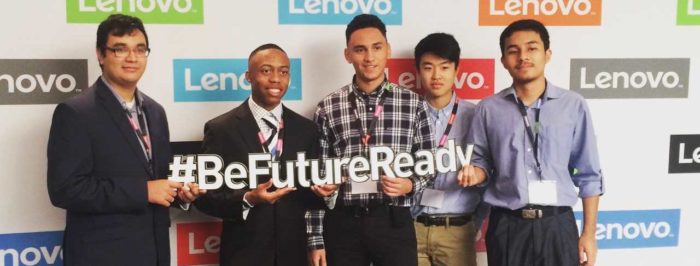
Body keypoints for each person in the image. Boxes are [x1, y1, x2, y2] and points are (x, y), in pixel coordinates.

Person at [47, 14, 204, 266]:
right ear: (101, 54)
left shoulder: (155, 112)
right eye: (120, 49)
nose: (132, 58)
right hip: (101, 256)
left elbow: (158, 182)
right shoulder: (76, 113)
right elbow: (65, 190)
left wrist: (180, 194)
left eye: (140, 50)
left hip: (155, 253)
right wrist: (144, 191)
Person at [467, 19, 604, 266]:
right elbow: (480, 163)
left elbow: (589, 174)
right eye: (513, 51)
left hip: (557, 226)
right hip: (507, 226)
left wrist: (589, 234)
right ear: (503, 61)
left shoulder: (572, 105)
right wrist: (475, 173)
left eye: (532, 48)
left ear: (547, 54)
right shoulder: (488, 109)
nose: (523, 57)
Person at [305, 14, 434, 266]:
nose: (369, 57)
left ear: (388, 49)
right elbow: (317, 176)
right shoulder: (328, 107)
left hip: (393, 220)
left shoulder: (413, 104)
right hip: (342, 222)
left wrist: (410, 184)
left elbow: (429, 162)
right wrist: (315, 238)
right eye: (360, 49)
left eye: (377, 47)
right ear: (347, 55)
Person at [194, 43, 324, 266]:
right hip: (243, 255)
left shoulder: (307, 130)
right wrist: (247, 199)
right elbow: (205, 197)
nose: (276, 79)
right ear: (248, 76)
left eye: (283, 72)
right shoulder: (221, 129)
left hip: (293, 255)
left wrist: (326, 193)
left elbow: (310, 195)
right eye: (266, 70)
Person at [410, 32, 487, 266]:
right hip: (412, 227)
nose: (436, 76)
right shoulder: (406, 115)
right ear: (418, 70)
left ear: (456, 70)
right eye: (428, 67)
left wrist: (477, 176)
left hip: (456, 230)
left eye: (444, 67)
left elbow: (490, 171)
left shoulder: (476, 116)